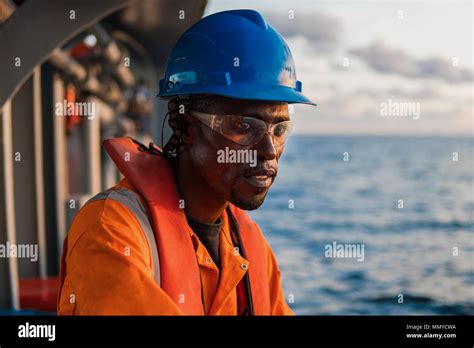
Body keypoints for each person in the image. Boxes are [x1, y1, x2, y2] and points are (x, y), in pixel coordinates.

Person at [58, 9, 315, 315]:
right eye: (244, 126)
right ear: (188, 127)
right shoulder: (111, 231)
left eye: (279, 129)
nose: (269, 150)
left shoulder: (250, 245)